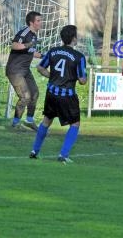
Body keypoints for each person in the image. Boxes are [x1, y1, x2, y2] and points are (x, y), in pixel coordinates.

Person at [29, 25, 87, 163]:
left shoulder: (53, 51)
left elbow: (40, 67)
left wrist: (52, 76)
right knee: (75, 124)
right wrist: (83, 75)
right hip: (67, 95)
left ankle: (34, 151)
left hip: (51, 93)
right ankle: (63, 155)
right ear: (74, 38)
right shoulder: (79, 57)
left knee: (46, 121)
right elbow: (82, 81)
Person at [6, 11, 43, 130]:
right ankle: (15, 123)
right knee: (25, 96)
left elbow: (32, 53)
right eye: (38, 20)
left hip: (25, 70)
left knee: (35, 93)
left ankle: (29, 120)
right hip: (15, 70)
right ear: (31, 22)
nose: (40, 23)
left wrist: (46, 56)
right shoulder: (25, 32)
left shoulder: (34, 35)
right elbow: (14, 45)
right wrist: (29, 44)